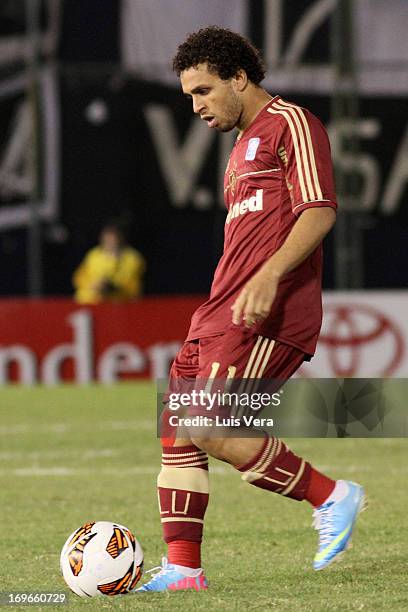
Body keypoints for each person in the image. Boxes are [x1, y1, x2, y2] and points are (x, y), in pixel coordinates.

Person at [137, 27, 365, 593]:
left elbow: (319, 210)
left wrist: (268, 275)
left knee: (209, 426)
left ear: (240, 77)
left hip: (268, 310)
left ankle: (332, 495)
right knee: (178, 434)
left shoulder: (293, 123)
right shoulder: (240, 151)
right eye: (190, 96)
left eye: (205, 91)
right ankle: (185, 570)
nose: (196, 106)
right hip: (219, 311)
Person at [72, 223, 145, 304]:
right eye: (107, 238)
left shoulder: (132, 258)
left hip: (120, 302)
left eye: (113, 238)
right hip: (92, 301)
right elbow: (79, 277)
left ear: (121, 238)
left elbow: (135, 286)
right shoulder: (94, 255)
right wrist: (93, 285)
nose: (110, 241)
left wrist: (112, 287)